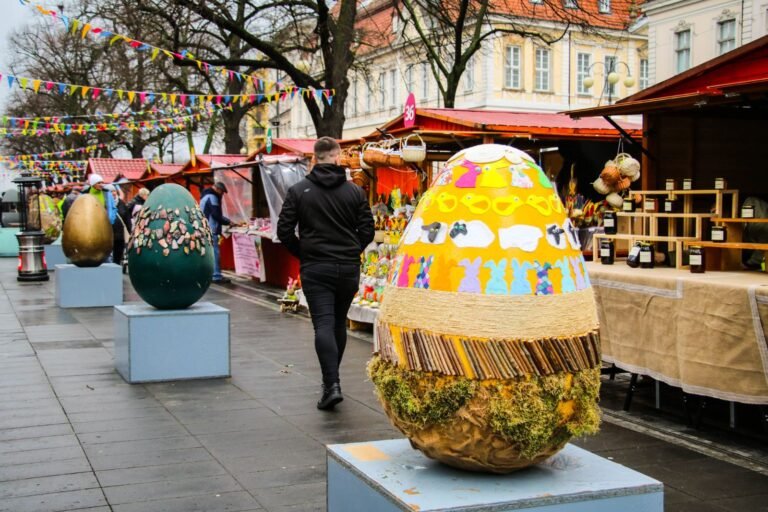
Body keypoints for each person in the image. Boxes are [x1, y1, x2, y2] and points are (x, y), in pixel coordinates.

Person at [277, 137, 375, 410]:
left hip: (316, 267)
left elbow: (284, 231)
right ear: (338, 156)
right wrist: (353, 248)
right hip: (347, 268)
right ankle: (331, 381)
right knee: (337, 323)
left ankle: (331, 384)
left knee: (323, 324)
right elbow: (367, 229)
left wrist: (304, 253)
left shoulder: (299, 191)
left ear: (315, 157)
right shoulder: (354, 192)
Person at [200, 182, 232, 284]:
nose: (221, 195)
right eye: (222, 192)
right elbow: (216, 215)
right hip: (211, 229)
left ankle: (208, 274)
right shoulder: (213, 197)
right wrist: (229, 222)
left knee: (207, 253)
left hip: (204, 228)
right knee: (215, 252)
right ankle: (216, 276)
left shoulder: (205, 196)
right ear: (218, 189)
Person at [111, 187, 131, 272]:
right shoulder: (104, 204)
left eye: (114, 191)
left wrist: (130, 233)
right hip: (107, 236)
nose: (113, 193)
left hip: (119, 236)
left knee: (118, 256)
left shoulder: (122, 204)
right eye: (110, 191)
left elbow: (127, 219)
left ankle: (115, 274)